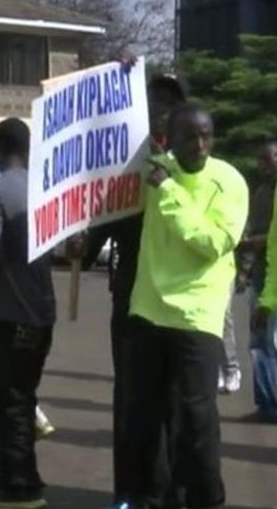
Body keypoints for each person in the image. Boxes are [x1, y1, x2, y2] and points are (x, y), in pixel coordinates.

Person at [118, 104, 248, 509]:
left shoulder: (229, 181)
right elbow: (109, 193)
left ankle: (207, 500)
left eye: (206, 135)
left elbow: (211, 243)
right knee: (144, 418)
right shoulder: (154, 170)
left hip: (197, 317)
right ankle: (152, 497)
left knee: (195, 420)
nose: (200, 145)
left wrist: (170, 192)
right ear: (169, 139)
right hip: (148, 312)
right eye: (190, 136)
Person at [82, 69, 187, 508]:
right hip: (130, 307)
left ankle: (170, 493)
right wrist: (78, 244)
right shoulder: (122, 175)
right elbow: (90, 243)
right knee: (131, 402)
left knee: (177, 406)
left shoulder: (195, 172)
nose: (161, 112)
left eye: (170, 103)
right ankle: (132, 491)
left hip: (179, 308)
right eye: (153, 103)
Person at [0, 118, 56, 508]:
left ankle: (23, 484)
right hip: (41, 311)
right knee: (12, 393)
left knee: (12, 399)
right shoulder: (47, 188)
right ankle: (6, 472)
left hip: (12, 315)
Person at [240, 139, 277, 422]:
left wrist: (256, 242)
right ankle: (266, 403)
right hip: (262, 275)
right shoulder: (262, 192)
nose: (265, 165)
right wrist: (245, 268)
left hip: (271, 280)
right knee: (260, 341)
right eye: (262, 161)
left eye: (270, 158)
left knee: (267, 342)